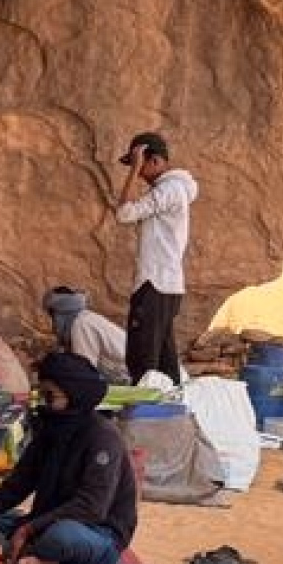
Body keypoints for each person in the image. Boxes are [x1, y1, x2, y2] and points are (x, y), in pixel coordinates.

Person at [0, 350, 137, 564]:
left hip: (97, 531)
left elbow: (91, 508)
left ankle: (45, 557)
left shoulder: (103, 437)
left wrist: (29, 529)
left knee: (61, 537)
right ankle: (31, 551)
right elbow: (13, 490)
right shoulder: (49, 432)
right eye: (42, 394)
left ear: (74, 395)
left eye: (50, 396)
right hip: (44, 521)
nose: (43, 403)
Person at [114, 130, 197, 381]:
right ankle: (170, 403)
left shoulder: (169, 189)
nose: (139, 173)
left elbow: (124, 213)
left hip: (154, 284)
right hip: (165, 286)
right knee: (164, 363)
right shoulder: (172, 189)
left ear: (155, 160)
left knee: (142, 361)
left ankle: (145, 406)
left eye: (140, 164)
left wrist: (132, 170)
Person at [42, 285, 129, 378]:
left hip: (131, 376)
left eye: (52, 314)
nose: (53, 322)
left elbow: (84, 370)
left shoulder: (80, 325)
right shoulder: (84, 317)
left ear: (58, 313)